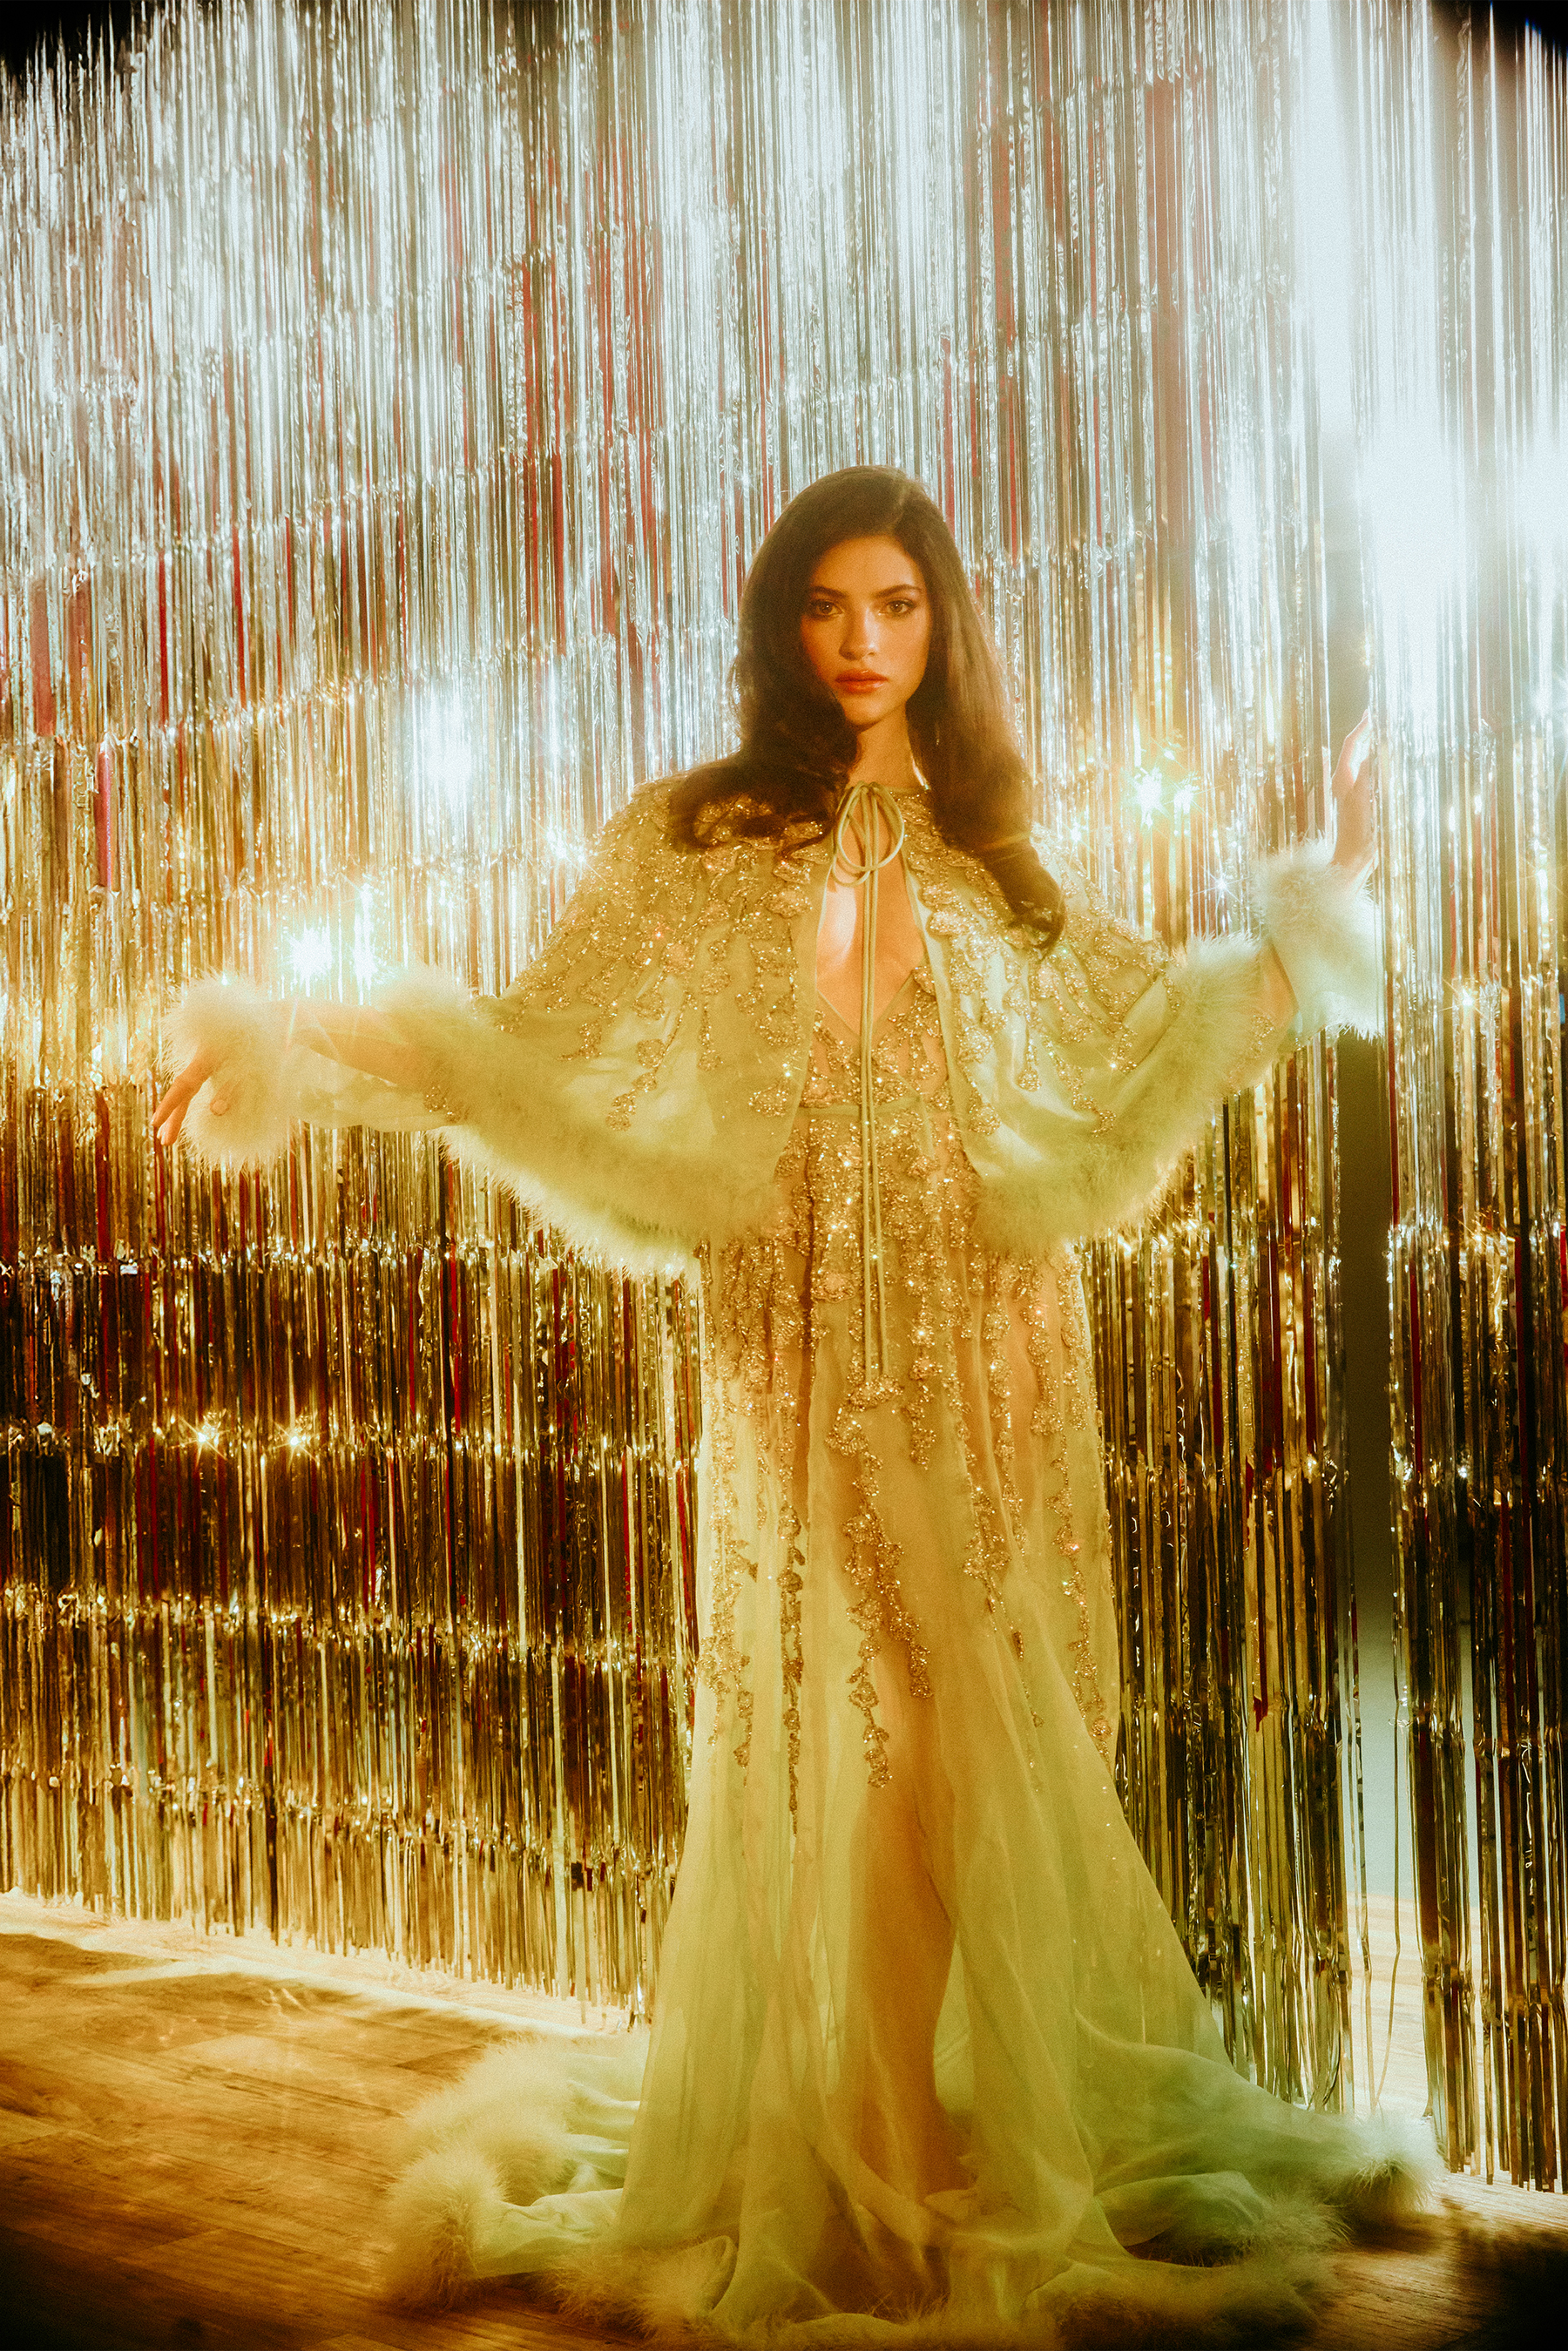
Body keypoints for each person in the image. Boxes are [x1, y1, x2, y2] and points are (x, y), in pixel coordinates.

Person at [155, 467, 1421, 2342]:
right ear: (781, 621)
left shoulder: (993, 854)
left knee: (974, 1729)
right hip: (802, 1318)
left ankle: (890, 2116)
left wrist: (1309, 916)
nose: (860, 639)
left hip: (985, 1318)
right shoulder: (698, 839)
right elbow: (524, 1035)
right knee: (905, 1717)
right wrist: (287, 1048)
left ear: (940, 623)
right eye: (829, 604)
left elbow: (1144, 1034)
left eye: (897, 603)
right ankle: (878, 2134)